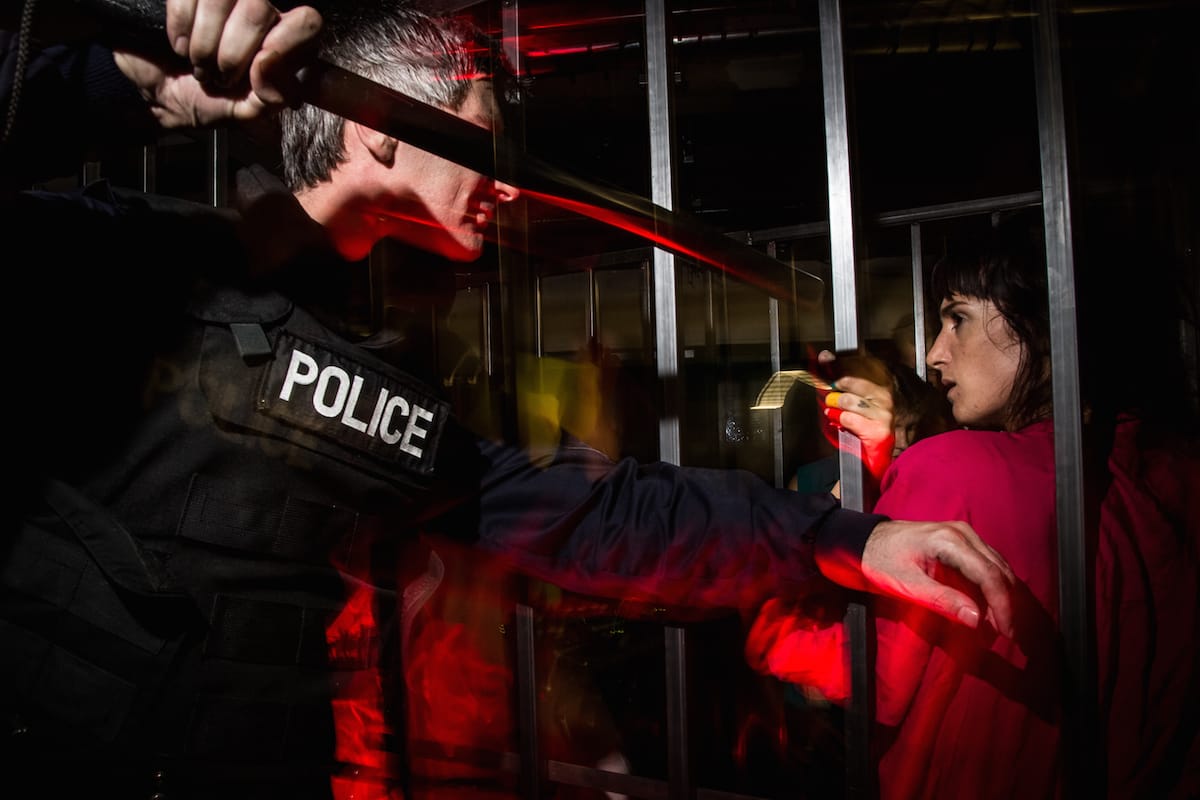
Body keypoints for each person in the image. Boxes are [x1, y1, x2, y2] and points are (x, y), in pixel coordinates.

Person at [0, 0, 1018, 796]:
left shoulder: (381, 387)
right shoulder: (122, 267)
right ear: (379, 128)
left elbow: (596, 510)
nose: (513, 183)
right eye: (484, 133)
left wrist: (840, 536)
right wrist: (120, 84)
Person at [746, 217, 1200, 799]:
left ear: (1042, 324)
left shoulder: (956, 470)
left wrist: (770, 592)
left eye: (957, 318)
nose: (935, 354)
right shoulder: (1174, 475)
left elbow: (848, 670)